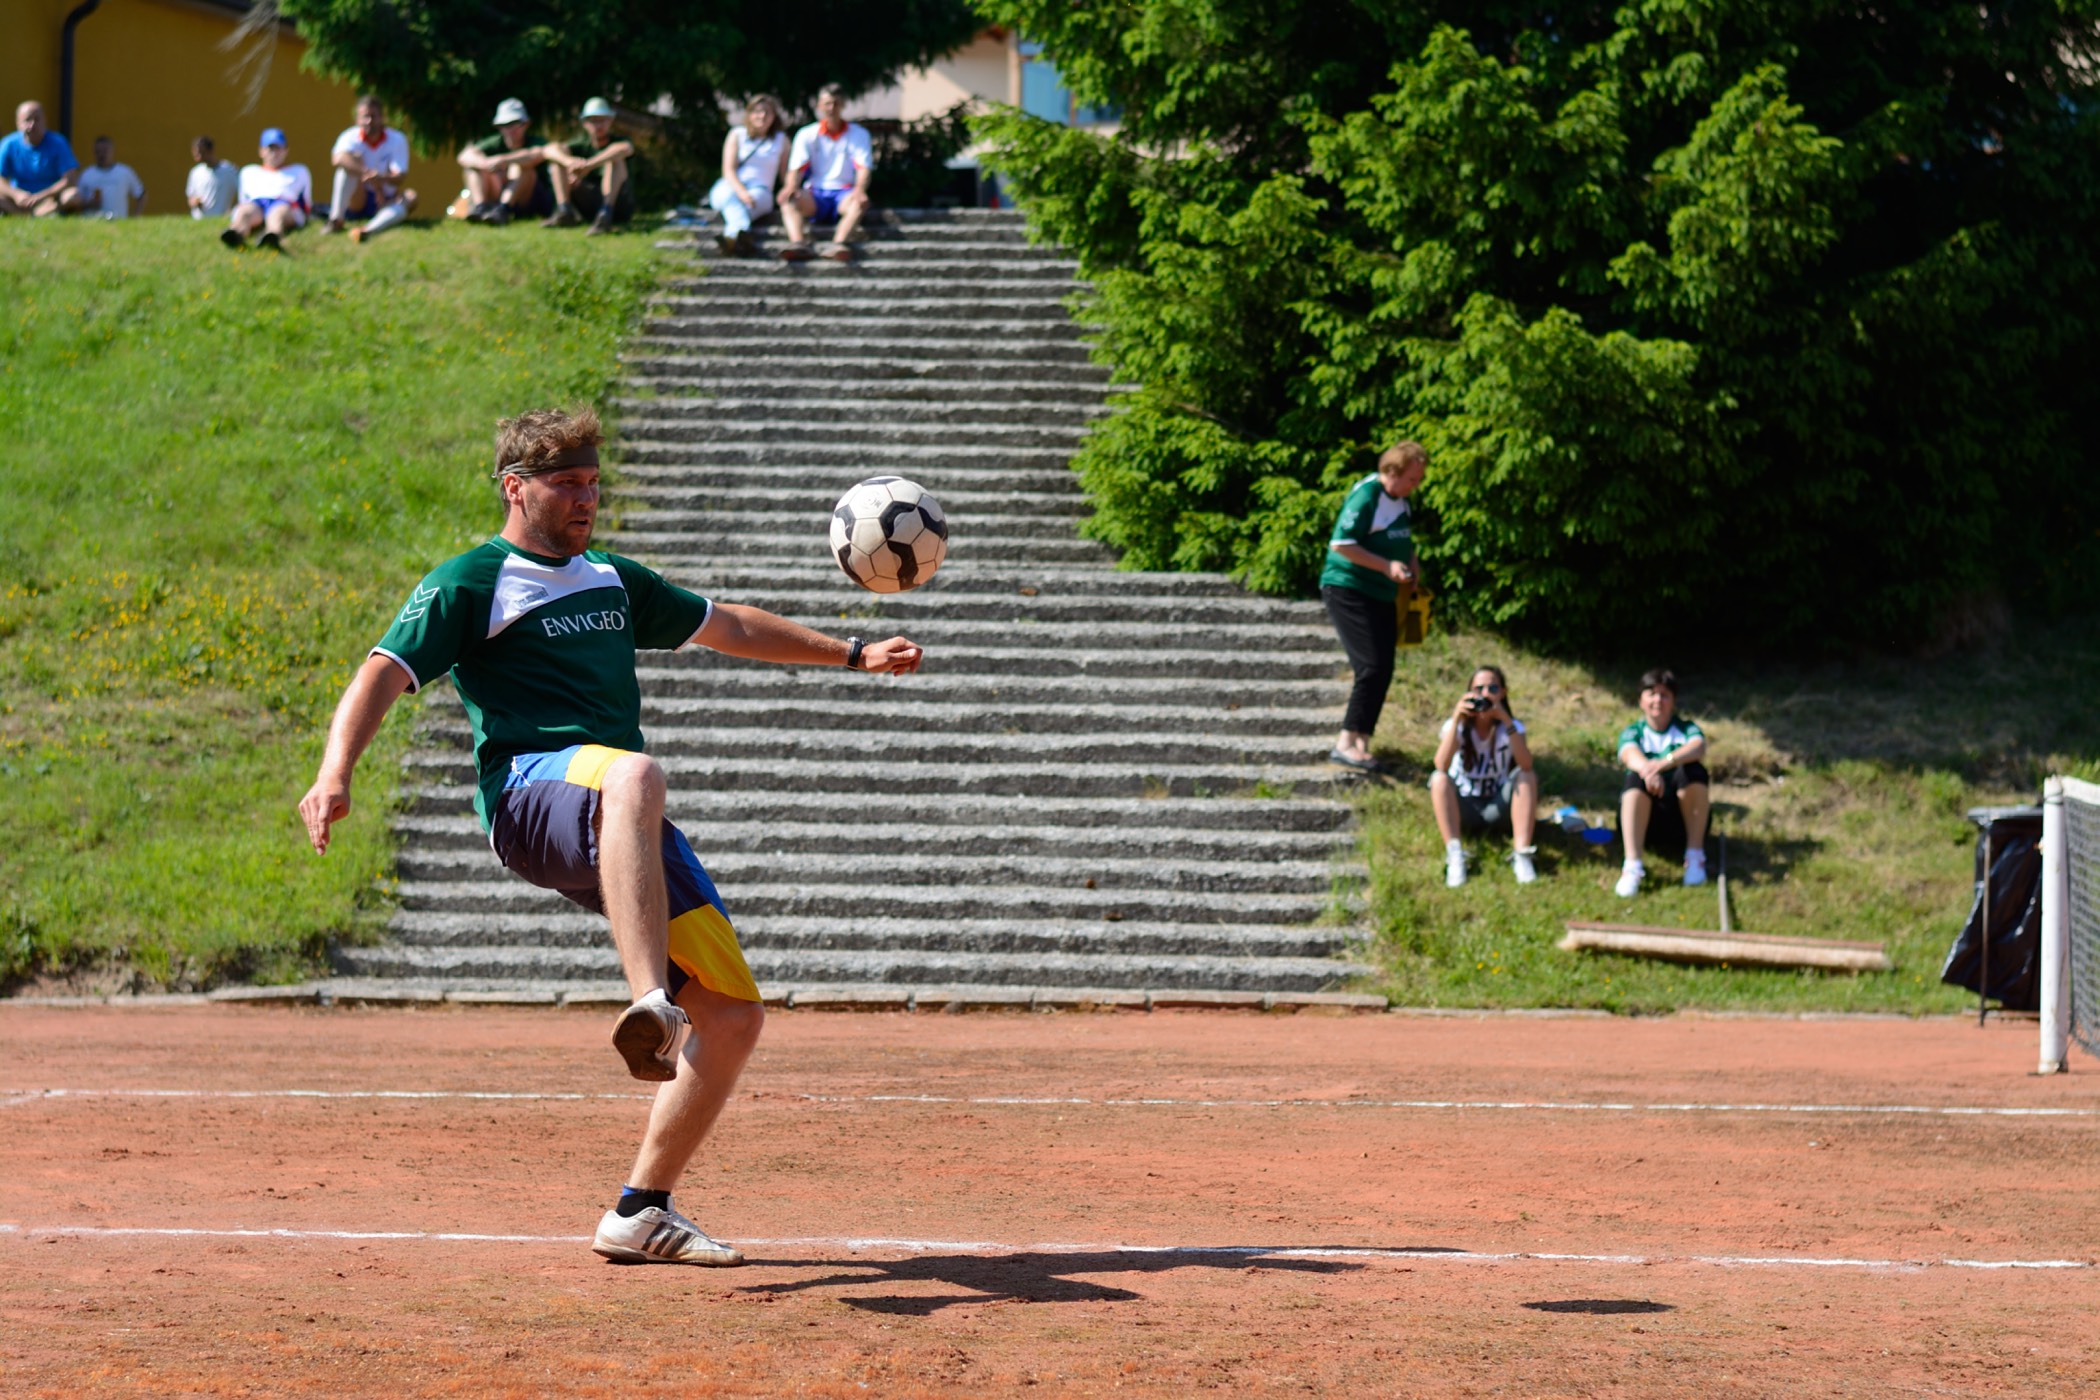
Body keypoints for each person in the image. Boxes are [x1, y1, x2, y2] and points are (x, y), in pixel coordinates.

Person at [296, 405, 924, 1266]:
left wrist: (852, 653)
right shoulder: (472, 581)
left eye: (594, 483)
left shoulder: (611, 579)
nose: (587, 498)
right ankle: (649, 1003)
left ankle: (640, 1210)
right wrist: (335, 773)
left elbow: (727, 625)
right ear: (515, 488)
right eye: (567, 484)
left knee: (734, 1015)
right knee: (635, 775)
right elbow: (383, 671)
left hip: (619, 811)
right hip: (530, 797)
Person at [1319, 441, 1426, 773]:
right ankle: (1345, 743)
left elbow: (1399, 537)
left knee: (1384, 667)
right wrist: (1386, 566)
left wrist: (1411, 561)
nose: (1416, 485)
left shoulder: (1402, 500)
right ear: (1392, 472)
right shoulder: (1367, 495)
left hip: (1382, 593)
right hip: (1349, 589)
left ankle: (1362, 742)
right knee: (1370, 666)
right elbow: (1341, 544)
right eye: (1412, 478)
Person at [1429, 665, 1538, 887]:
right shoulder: (1456, 726)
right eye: (1478, 689)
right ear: (1469, 693)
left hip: (1498, 806)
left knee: (1527, 776)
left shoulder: (1512, 727)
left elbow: (1526, 764)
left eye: (1492, 688)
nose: (1485, 694)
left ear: (1503, 693)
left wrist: (1506, 720)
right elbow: (1441, 764)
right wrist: (1457, 719)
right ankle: (1455, 854)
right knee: (1439, 778)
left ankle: (1522, 854)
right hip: (1465, 807)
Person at [1615, 667, 1711, 897]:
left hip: (1680, 821)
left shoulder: (1686, 729)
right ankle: (1632, 866)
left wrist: (1663, 763)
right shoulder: (1634, 731)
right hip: (1646, 821)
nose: (1658, 700)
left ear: (1673, 701)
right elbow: (1628, 753)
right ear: (1641, 701)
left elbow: (1698, 747)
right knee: (1634, 778)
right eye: (1651, 694)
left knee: (1693, 772)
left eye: (1664, 695)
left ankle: (1695, 856)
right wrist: (1648, 772)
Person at [778, 83, 873, 262]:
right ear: (819, 106)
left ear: (842, 105)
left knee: (859, 202)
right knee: (788, 199)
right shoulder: (806, 134)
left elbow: (863, 168)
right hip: (815, 193)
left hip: (844, 193)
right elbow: (797, 168)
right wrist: (790, 186)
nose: (831, 108)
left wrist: (860, 190)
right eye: (827, 103)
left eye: (836, 103)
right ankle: (798, 244)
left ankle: (839, 244)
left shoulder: (859, 134)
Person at [325, 95, 416, 242]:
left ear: (382, 118)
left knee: (411, 197)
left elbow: (400, 177)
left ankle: (369, 230)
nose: (369, 121)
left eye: (373, 116)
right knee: (346, 169)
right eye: (365, 117)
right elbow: (338, 158)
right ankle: (336, 220)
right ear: (357, 119)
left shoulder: (397, 139)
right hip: (358, 198)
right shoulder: (349, 136)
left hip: (385, 201)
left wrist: (379, 179)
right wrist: (368, 174)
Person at [541, 97, 635, 235]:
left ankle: (605, 214)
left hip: (619, 207)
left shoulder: (619, 141)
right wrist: (569, 162)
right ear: (585, 123)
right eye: (593, 121)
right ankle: (564, 211)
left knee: (615, 160)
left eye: (602, 120)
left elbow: (625, 148)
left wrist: (589, 165)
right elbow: (548, 150)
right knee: (557, 162)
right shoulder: (581, 143)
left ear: (610, 121)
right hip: (588, 205)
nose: (598, 125)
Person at [706, 95, 786, 256]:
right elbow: (728, 170)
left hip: (761, 190)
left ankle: (731, 238)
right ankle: (741, 236)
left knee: (744, 204)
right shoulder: (737, 134)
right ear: (749, 114)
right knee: (730, 197)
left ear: (774, 116)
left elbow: (785, 175)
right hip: (731, 186)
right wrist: (742, 192)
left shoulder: (781, 140)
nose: (762, 116)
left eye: (767, 112)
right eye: (757, 111)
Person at [455, 98, 549, 225]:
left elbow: (537, 154)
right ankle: (481, 208)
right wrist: (486, 164)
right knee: (473, 169)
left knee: (524, 169)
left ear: (526, 124)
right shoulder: (494, 142)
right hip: (497, 194)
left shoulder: (536, 142)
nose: (510, 129)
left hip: (529, 201)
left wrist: (503, 160)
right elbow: (464, 156)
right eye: (504, 125)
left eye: (515, 123)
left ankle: (504, 210)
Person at [222, 128, 312, 252]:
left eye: (278, 148)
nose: (274, 153)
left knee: (277, 213)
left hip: (284, 205)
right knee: (244, 212)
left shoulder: (299, 171)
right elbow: (244, 200)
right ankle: (236, 234)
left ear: (286, 151)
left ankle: (273, 236)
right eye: (270, 149)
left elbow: (306, 203)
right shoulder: (248, 172)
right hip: (257, 205)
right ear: (261, 151)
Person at [0, 101, 82, 217]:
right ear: (18, 123)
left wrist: (41, 196)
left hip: (50, 198)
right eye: (27, 120)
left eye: (37, 119)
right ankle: (31, 214)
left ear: (44, 121)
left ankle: (36, 212)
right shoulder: (8, 144)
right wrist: (16, 194)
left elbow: (70, 179)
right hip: (20, 200)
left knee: (73, 195)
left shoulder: (58, 142)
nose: (32, 125)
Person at [76, 135, 144, 219]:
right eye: (98, 151)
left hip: (119, 222)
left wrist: (136, 216)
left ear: (112, 151)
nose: (101, 155)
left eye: (105, 151)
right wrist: (89, 204)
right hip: (93, 223)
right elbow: (76, 202)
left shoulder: (125, 172)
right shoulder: (86, 174)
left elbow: (141, 195)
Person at [185, 136, 238, 219]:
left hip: (221, 219)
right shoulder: (195, 172)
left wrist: (234, 211)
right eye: (196, 153)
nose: (198, 157)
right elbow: (191, 197)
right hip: (199, 220)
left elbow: (240, 192)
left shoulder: (229, 170)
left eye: (201, 153)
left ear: (210, 150)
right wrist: (194, 202)